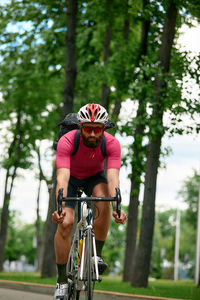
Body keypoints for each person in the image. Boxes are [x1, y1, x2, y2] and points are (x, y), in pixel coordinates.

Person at [52, 103, 127, 300]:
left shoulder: (112, 144)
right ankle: (61, 281)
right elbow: (62, 176)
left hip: (94, 177)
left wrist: (117, 206)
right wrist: (60, 207)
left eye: (97, 129)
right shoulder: (67, 141)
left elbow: (112, 178)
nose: (92, 134)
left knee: (104, 200)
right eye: (87, 128)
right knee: (66, 223)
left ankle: (97, 255)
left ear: (104, 128)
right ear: (80, 127)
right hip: (70, 179)